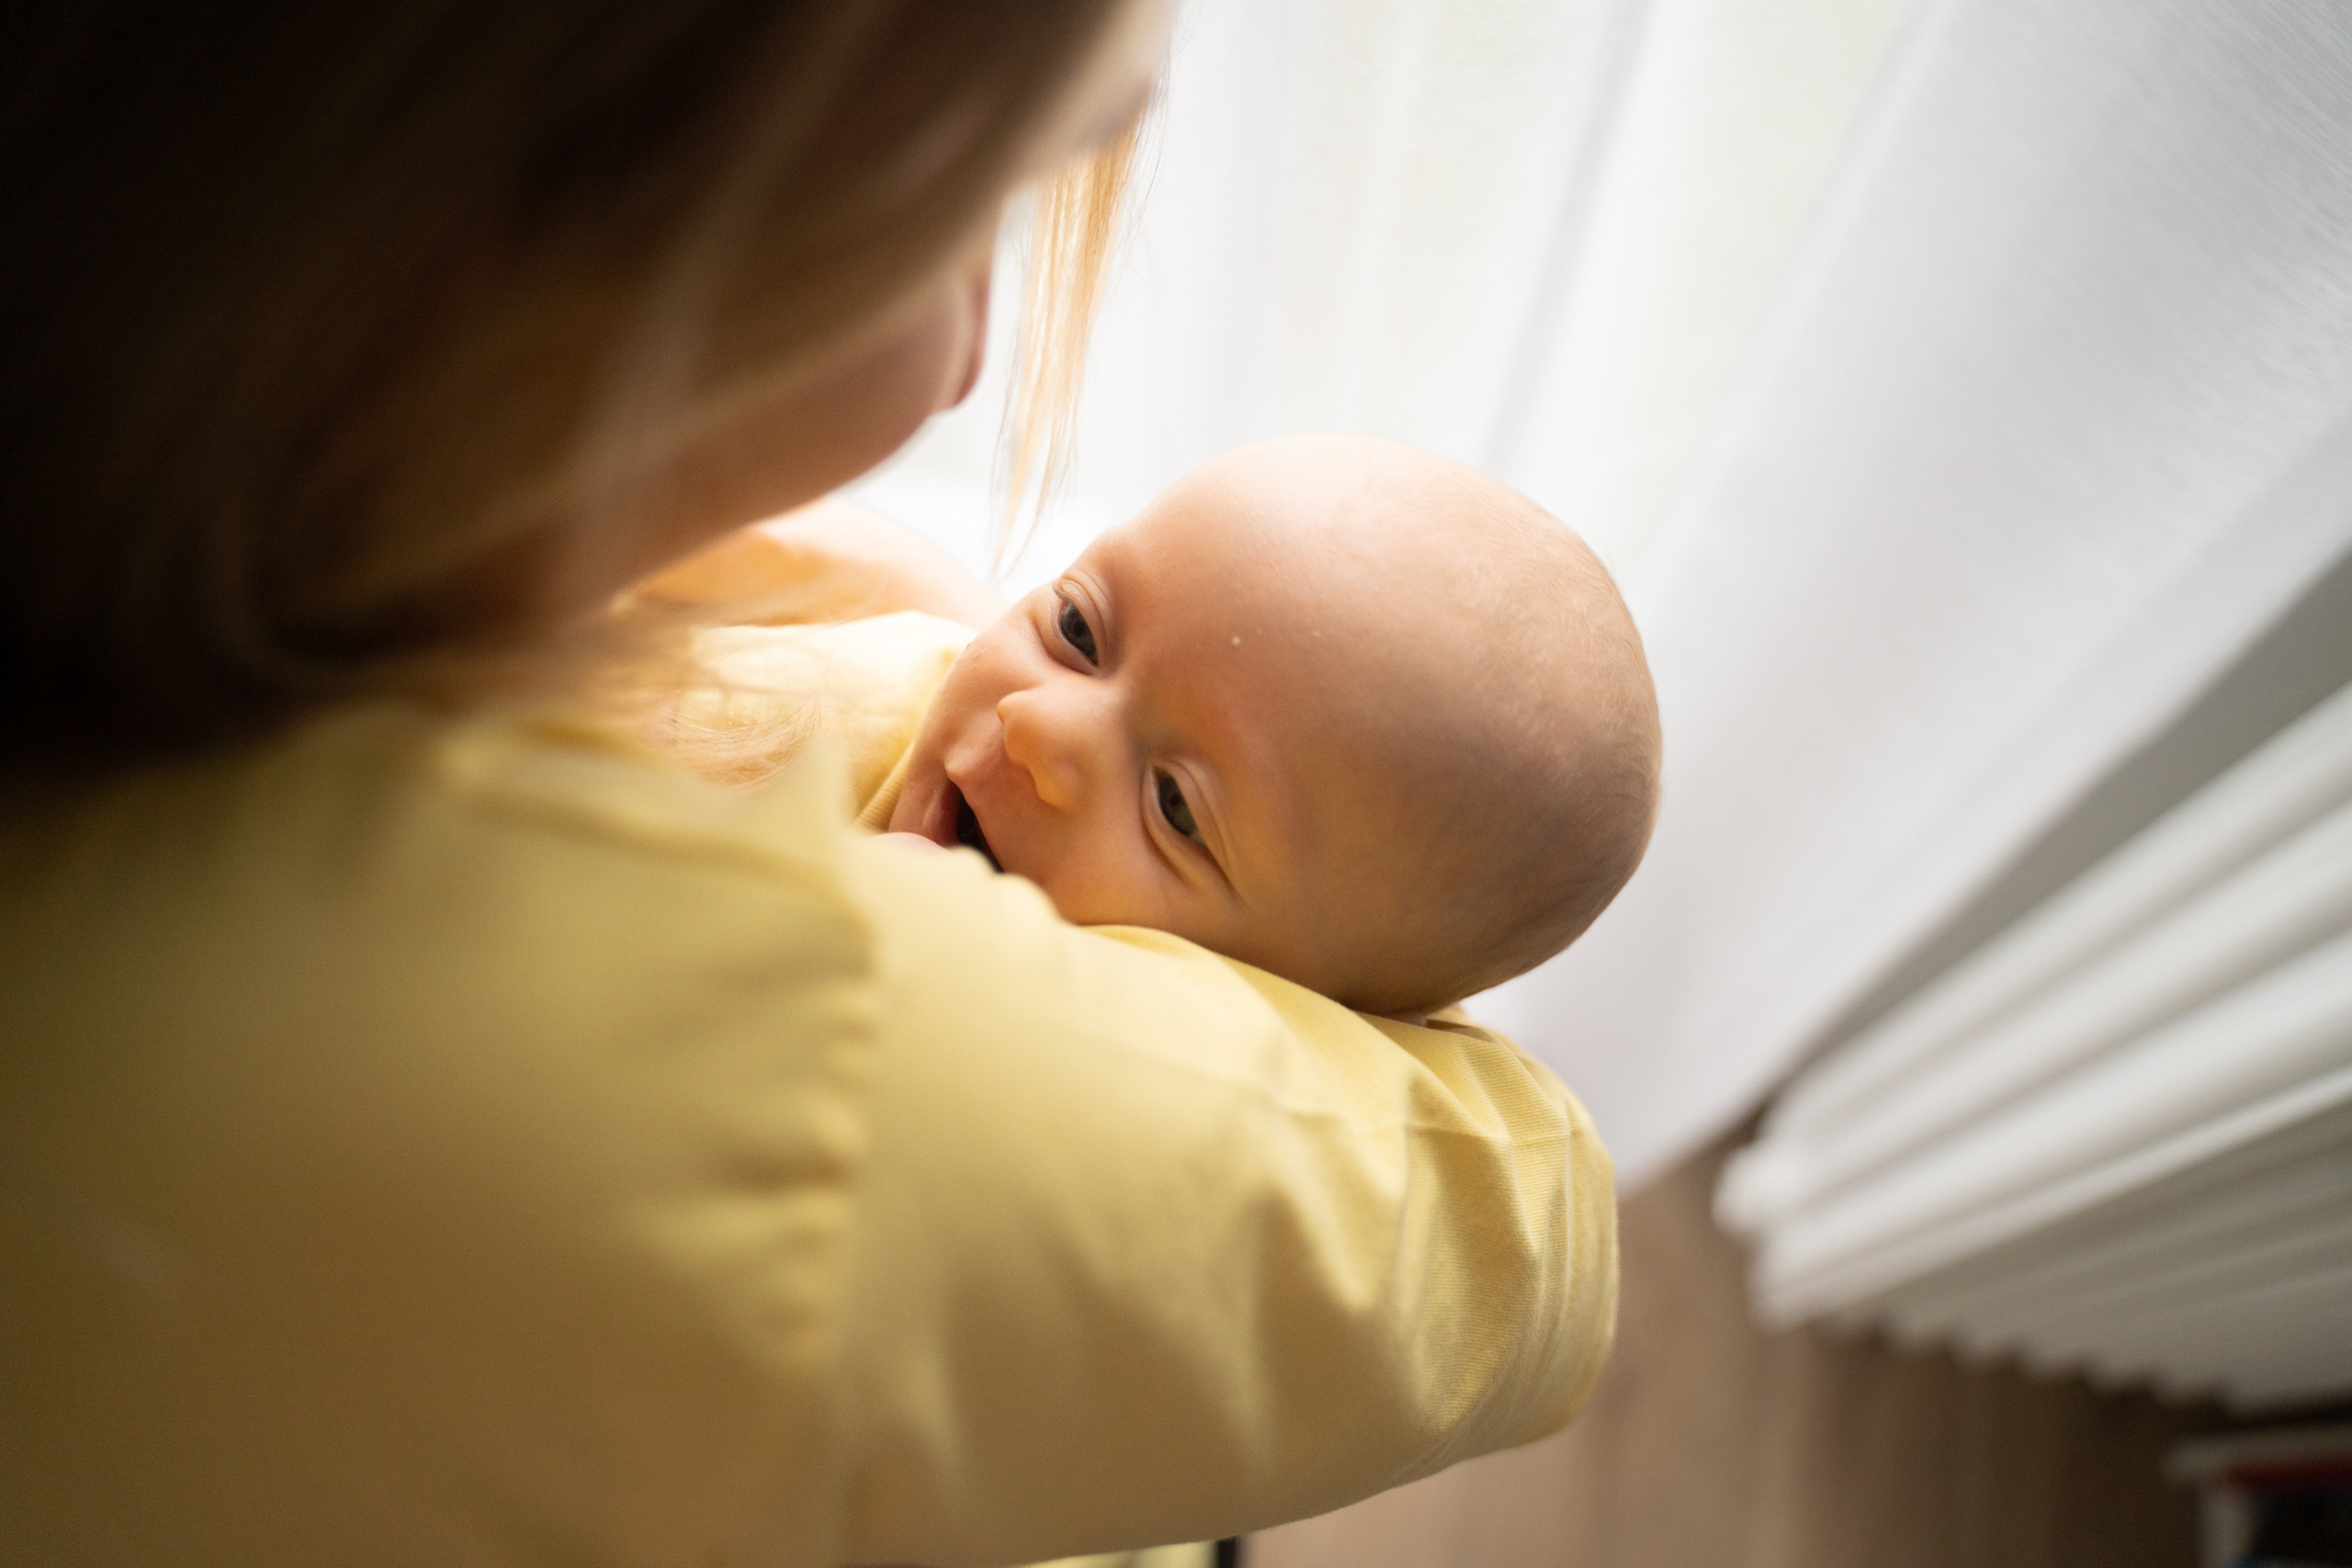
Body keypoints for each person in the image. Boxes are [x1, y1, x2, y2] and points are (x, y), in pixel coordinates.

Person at [0, 6, 1623, 1566]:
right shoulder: (774, 1075)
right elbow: (1535, 1238)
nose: (970, 359)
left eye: (1181, 807)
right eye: (1074, 619)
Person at [655, 434, 1661, 1021]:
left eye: (1175, 805)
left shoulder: (1124, 1102)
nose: (1039, 727)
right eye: (1080, 629)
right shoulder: (911, 665)